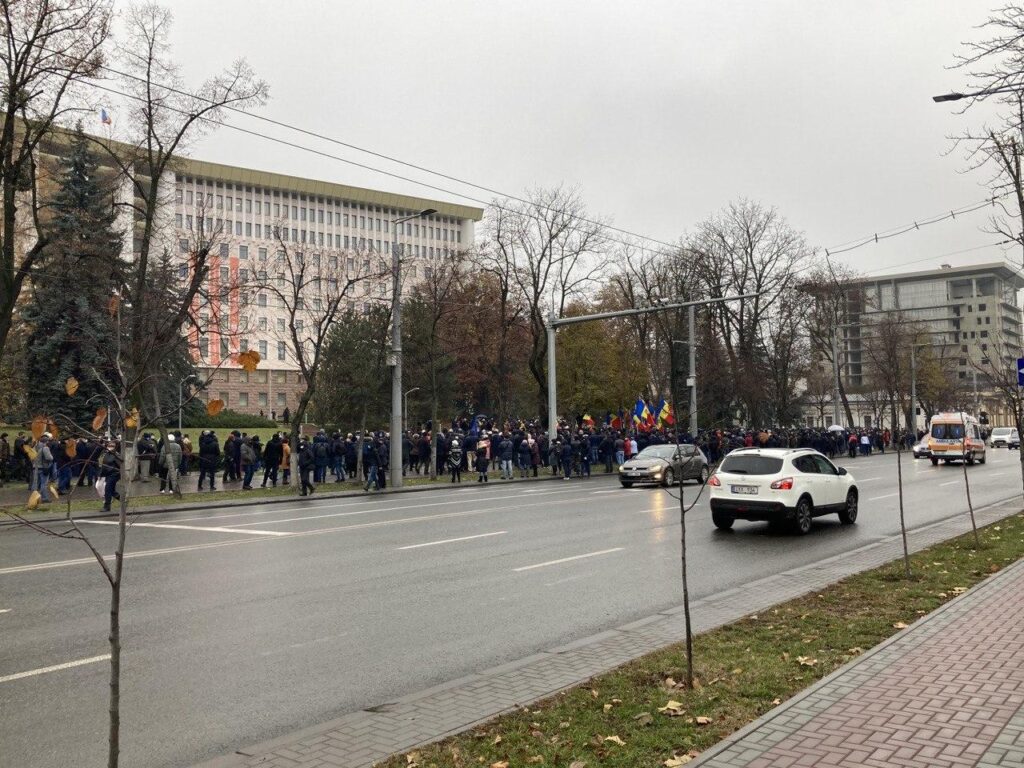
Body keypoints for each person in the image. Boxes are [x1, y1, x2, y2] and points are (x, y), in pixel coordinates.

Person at [30, 432, 54, 503]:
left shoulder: (34, 447)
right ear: (46, 441)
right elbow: (49, 458)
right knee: (44, 484)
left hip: (35, 467)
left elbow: (31, 458)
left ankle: (35, 498)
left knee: (36, 484)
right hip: (43, 468)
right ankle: (44, 498)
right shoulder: (45, 448)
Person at [99, 441, 121, 512]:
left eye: (112, 446)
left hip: (114, 474)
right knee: (111, 490)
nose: (110, 447)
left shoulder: (116, 455)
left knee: (107, 489)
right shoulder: (105, 453)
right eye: (109, 445)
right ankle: (123, 499)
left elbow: (121, 465)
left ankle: (107, 506)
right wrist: (101, 475)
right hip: (108, 474)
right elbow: (103, 465)